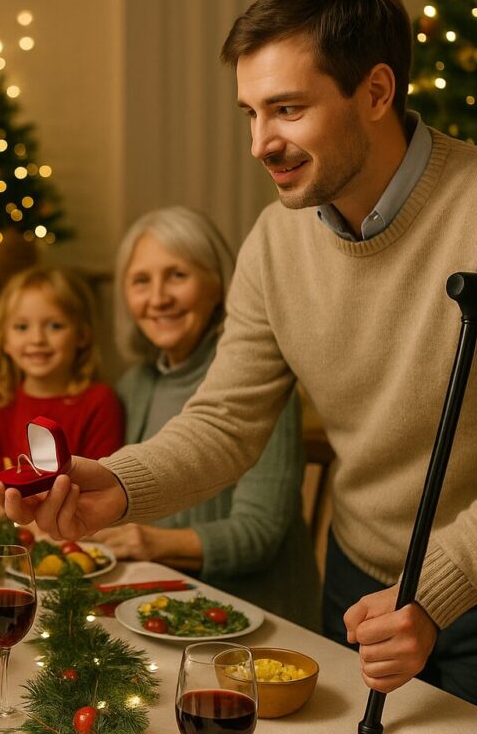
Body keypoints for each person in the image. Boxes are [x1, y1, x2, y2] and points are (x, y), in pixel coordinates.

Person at [0, 0, 477, 734]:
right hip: (361, 576)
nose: (261, 144)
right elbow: (225, 422)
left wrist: (436, 588)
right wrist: (115, 486)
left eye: (287, 109)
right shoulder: (275, 241)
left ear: (377, 91)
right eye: (250, 114)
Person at [96, 206, 320, 629]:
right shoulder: (134, 385)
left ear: (218, 285)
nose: (158, 298)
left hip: (258, 623)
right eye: (141, 281)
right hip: (162, 612)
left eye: (177, 275)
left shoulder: (258, 383)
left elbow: (258, 534)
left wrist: (150, 541)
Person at [0, 266, 123, 488]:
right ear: (5, 341)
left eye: (55, 326)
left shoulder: (99, 402)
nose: (37, 339)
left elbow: (101, 482)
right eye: (22, 327)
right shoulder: (0, 402)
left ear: (82, 335)